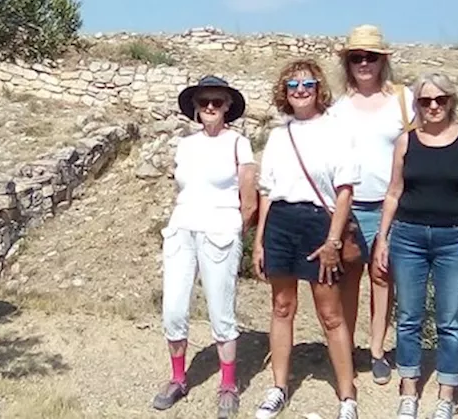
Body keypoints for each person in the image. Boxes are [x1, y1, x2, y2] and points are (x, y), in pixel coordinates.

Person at [251, 59, 363, 419]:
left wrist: (333, 241)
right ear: (284, 92)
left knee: (330, 314)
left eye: (308, 84)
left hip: (319, 222)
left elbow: (345, 191)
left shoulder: (335, 130)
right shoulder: (279, 134)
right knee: (282, 307)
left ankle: (347, 396)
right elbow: (267, 191)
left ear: (319, 89)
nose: (300, 91)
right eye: (293, 85)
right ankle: (279, 387)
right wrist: (260, 240)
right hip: (281, 221)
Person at [375, 73, 458, 419]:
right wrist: (383, 238)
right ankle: (409, 387)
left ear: (451, 101)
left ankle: (446, 393)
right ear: (417, 106)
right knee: (409, 316)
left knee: (450, 318)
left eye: (440, 100)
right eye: (425, 101)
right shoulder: (406, 142)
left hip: (454, 237)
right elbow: (393, 192)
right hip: (408, 236)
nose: (433, 106)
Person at [153, 76, 259, 419]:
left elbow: (249, 198)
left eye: (216, 101)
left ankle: (228, 383)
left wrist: (235, 228)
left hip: (220, 229)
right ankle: (178, 377)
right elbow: (182, 188)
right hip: (183, 227)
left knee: (221, 309)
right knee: (173, 307)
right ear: (195, 108)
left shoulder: (238, 144)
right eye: (204, 102)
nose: (210, 107)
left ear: (228, 106)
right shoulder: (185, 145)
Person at [328, 25, 414, 386]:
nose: (364, 64)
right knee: (348, 278)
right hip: (349, 204)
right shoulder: (338, 108)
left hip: (390, 204)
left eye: (371, 57)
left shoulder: (403, 100)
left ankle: (377, 349)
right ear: (348, 63)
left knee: (383, 278)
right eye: (357, 58)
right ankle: (346, 348)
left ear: (383, 61)